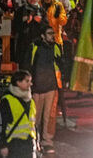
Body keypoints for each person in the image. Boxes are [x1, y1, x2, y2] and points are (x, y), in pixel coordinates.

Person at [29, 25, 63, 153]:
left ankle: (47, 141)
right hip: (37, 87)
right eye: (49, 33)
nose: (52, 36)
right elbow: (28, 65)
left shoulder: (55, 48)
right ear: (42, 35)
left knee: (49, 116)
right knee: (36, 117)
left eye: (53, 33)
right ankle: (35, 140)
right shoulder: (34, 47)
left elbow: (61, 63)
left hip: (51, 86)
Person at [0, 70, 37, 158]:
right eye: (27, 81)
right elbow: (1, 125)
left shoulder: (31, 101)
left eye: (30, 81)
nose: (30, 84)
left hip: (29, 144)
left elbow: (33, 124)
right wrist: (3, 145)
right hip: (14, 145)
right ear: (18, 82)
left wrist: (36, 141)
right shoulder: (6, 100)